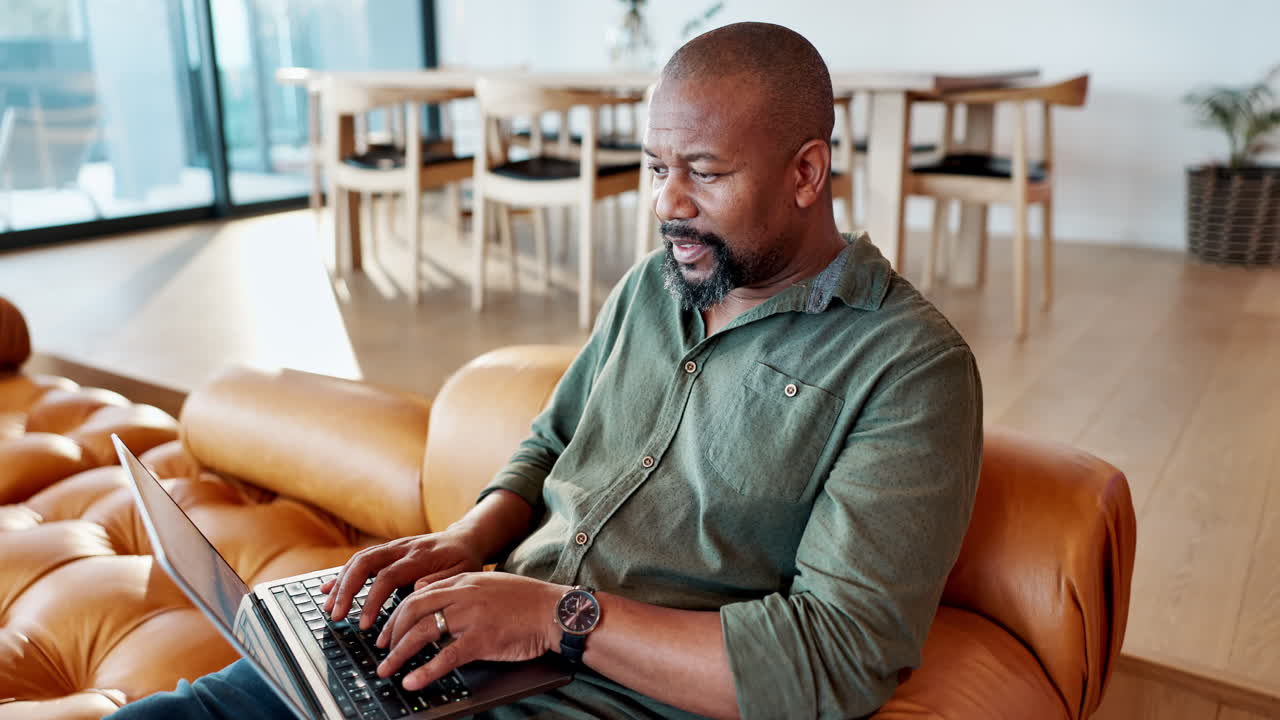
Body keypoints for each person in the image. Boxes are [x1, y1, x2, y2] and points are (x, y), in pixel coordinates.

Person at [110, 21, 982, 720]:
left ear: (806, 171)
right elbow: (555, 438)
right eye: (653, 168)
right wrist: (469, 540)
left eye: (704, 174)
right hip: (456, 651)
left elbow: (834, 661)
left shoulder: (909, 370)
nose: (666, 204)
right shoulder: (658, 283)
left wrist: (551, 617)